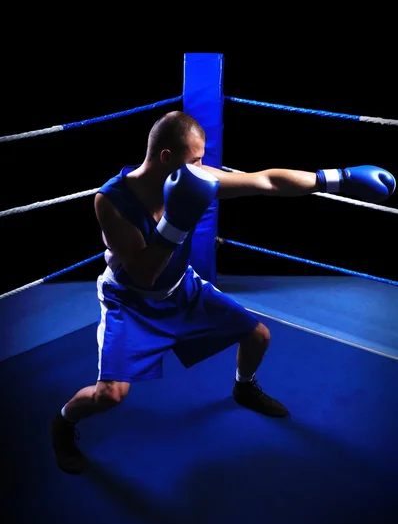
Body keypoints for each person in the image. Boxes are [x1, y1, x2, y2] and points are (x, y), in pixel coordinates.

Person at [51, 110, 396, 474]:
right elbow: (144, 273)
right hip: (132, 303)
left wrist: (335, 179)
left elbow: (266, 181)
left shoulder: (191, 177)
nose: (202, 167)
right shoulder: (111, 201)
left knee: (258, 336)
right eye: (195, 159)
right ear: (166, 157)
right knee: (110, 395)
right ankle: (62, 424)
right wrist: (177, 221)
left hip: (181, 289)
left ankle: (243, 388)